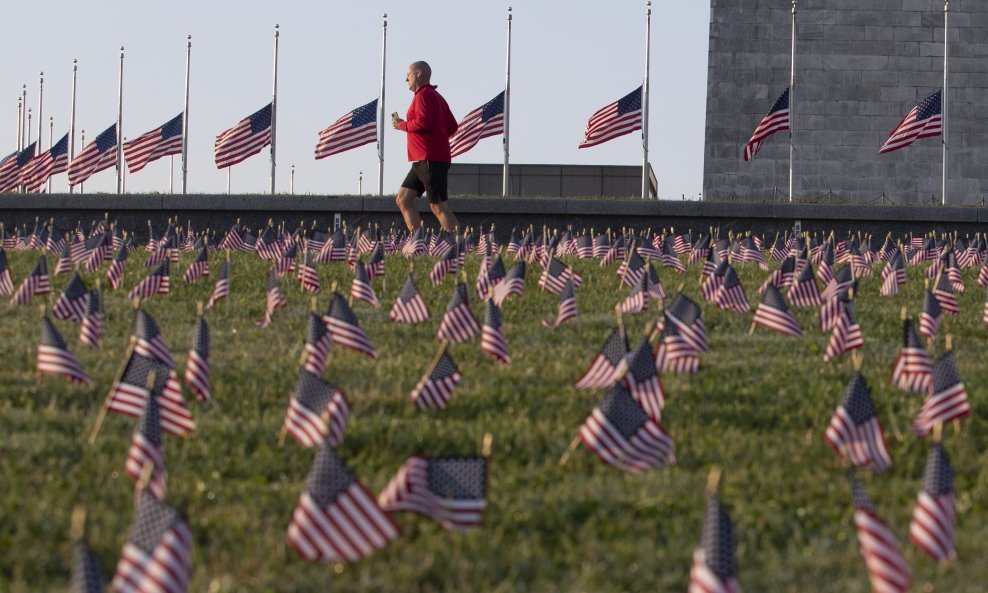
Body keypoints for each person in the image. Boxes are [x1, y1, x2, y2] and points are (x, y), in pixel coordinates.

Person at [392, 61, 460, 232]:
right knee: (403, 200)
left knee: (438, 206)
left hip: (429, 159)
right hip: (422, 160)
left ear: (419, 73)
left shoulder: (423, 95)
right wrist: (437, 136)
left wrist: (402, 125)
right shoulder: (437, 97)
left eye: (408, 74)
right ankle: (418, 243)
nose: (406, 78)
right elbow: (452, 126)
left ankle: (462, 246)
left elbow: (423, 123)